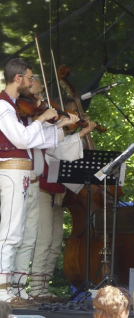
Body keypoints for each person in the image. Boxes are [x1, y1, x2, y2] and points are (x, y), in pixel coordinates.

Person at [0, 58, 79, 303]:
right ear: (18, 78)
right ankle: (3, 290)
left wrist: (61, 125)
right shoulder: (3, 106)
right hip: (11, 171)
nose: (33, 82)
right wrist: (43, 118)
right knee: (11, 233)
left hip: (21, 173)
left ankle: (17, 288)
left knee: (21, 233)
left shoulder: (14, 106)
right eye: (30, 77)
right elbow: (22, 140)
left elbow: (36, 141)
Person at [27, 96, 97, 301]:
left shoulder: (60, 132)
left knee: (56, 241)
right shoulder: (48, 130)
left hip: (58, 194)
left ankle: (43, 287)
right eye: (72, 111)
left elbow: (66, 150)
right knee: (44, 240)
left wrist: (80, 133)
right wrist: (74, 130)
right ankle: (36, 289)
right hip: (42, 190)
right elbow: (58, 151)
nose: (75, 115)